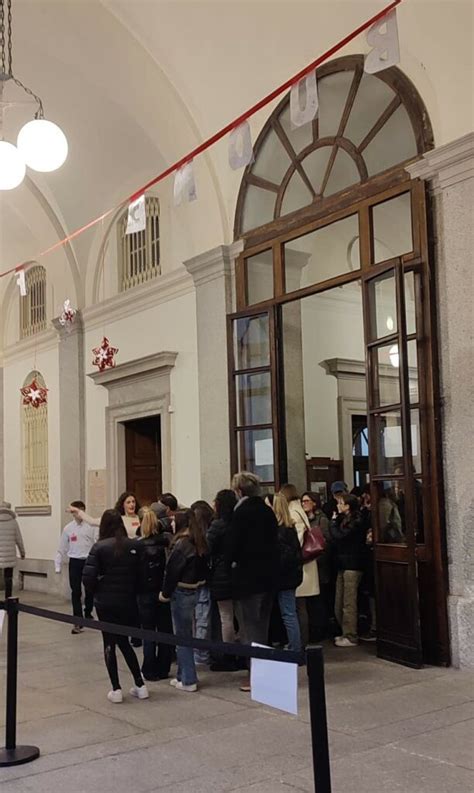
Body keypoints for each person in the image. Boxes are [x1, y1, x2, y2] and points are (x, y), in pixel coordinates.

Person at [82, 509, 148, 703]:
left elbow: (88, 578)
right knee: (123, 641)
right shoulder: (134, 546)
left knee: (109, 642)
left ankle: (116, 688)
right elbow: (142, 576)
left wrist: (96, 591)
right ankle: (140, 683)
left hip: (106, 602)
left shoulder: (99, 547)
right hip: (127, 600)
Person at [226, 472, 279, 691]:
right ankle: (264, 673)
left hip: (250, 579)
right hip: (269, 578)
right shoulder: (267, 512)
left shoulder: (242, 513)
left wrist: (231, 562)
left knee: (250, 629)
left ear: (239, 491)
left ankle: (256, 676)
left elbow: (233, 546)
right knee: (262, 627)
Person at [159, 509, 209, 692]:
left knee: (182, 637)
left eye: (173, 520)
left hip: (181, 592)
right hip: (194, 590)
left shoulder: (182, 544)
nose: (171, 523)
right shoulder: (198, 541)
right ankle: (182, 675)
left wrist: (164, 593)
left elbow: (172, 571)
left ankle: (188, 679)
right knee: (185, 633)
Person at [280, 484, 319, 648]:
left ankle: (300, 642)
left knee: (298, 607)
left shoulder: (293, 513)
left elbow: (297, 540)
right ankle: (301, 641)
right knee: (299, 606)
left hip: (300, 564)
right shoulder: (299, 510)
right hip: (305, 564)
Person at [136, 507, 173, 681]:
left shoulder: (137, 546)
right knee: (165, 630)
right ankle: (163, 667)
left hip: (144, 592)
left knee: (148, 631)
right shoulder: (166, 542)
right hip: (162, 591)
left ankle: (149, 668)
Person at [206, 489, 240, 670]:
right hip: (240, 572)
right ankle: (243, 651)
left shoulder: (217, 525)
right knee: (240, 617)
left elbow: (208, 548)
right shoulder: (240, 523)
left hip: (221, 573)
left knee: (226, 617)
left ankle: (229, 655)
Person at [55, 500, 98, 634]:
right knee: (75, 591)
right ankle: (77, 620)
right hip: (74, 561)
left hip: (88, 560)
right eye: (75, 512)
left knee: (90, 589)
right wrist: (58, 564)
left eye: (80, 511)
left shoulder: (91, 526)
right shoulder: (68, 528)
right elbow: (62, 547)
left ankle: (88, 612)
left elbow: (96, 543)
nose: (78, 514)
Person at [329, 494, 366, 647]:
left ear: (348, 506)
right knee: (339, 601)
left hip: (352, 564)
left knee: (348, 602)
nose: (338, 505)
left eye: (341, 503)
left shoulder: (356, 521)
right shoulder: (343, 519)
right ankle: (344, 631)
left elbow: (340, 537)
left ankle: (351, 635)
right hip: (342, 564)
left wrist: (332, 522)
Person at [270, 493, 303, 652]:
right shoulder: (290, 528)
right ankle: (294, 645)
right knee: (290, 612)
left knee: (288, 614)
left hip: (283, 578)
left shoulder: (278, 531)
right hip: (291, 576)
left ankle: (295, 649)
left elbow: (282, 557)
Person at [301, 491, 332, 639]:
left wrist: (319, 558)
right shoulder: (303, 519)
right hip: (309, 563)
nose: (304, 504)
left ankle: (320, 629)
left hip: (319, 563)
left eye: (307, 501)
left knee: (319, 600)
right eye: (302, 501)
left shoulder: (322, 519)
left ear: (314, 502)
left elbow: (325, 541)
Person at [191, 500, 214, 667]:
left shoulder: (195, 537)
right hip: (204, 581)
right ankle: (201, 653)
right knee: (202, 618)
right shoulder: (208, 535)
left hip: (195, 581)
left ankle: (200, 654)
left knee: (199, 619)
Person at [0, 500, 25, 598]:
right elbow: (19, 539)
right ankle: (8, 599)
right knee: (8, 578)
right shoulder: (13, 522)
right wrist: (22, 552)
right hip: (9, 555)